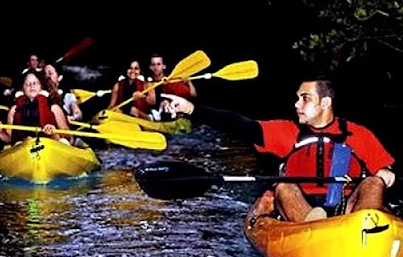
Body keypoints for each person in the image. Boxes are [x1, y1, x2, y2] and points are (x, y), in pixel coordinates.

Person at [166, 80, 395, 222]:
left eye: (305, 98)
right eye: (297, 98)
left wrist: (386, 174)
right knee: (283, 186)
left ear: (325, 103)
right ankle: (312, 227)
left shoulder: (358, 134)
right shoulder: (288, 132)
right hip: (300, 207)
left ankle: (364, 227)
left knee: (374, 183)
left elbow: (383, 171)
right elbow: (240, 124)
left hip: (347, 208)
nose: (296, 104)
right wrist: (191, 109)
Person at [0, 70, 71, 145]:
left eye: (35, 83)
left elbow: (69, 137)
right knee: (18, 143)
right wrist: (0, 131)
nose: (31, 86)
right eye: (27, 84)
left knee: (63, 141)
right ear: (23, 88)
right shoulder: (14, 110)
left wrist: (54, 132)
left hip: (50, 145)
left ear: (41, 86)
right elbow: (9, 139)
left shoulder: (54, 108)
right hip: (24, 146)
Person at [138, 52, 197, 122]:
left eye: (158, 64)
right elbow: (150, 103)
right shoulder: (147, 83)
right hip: (157, 118)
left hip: (179, 116)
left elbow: (193, 96)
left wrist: (189, 82)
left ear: (164, 66)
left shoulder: (173, 80)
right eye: (153, 64)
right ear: (150, 67)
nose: (156, 67)